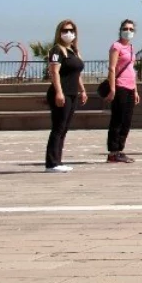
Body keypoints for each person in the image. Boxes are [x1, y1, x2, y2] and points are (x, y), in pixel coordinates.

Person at [44, 19, 86, 172]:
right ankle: (51, 163)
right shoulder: (57, 50)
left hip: (73, 93)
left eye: (71, 31)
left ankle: (58, 160)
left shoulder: (74, 51)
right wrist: (59, 92)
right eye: (65, 30)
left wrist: (82, 90)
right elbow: (54, 72)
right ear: (59, 33)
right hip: (62, 93)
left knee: (64, 128)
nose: (68, 33)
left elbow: (77, 73)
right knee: (58, 127)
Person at [104, 18, 140, 163]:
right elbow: (112, 68)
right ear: (120, 30)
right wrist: (112, 88)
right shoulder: (116, 46)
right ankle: (113, 151)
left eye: (131, 29)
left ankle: (120, 149)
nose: (128, 31)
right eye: (126, 28)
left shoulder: (131, 48)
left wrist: (136, 90)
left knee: (127, 120)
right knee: (117, 119)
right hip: (120, 86)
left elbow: (132, 69)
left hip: (130, 86)